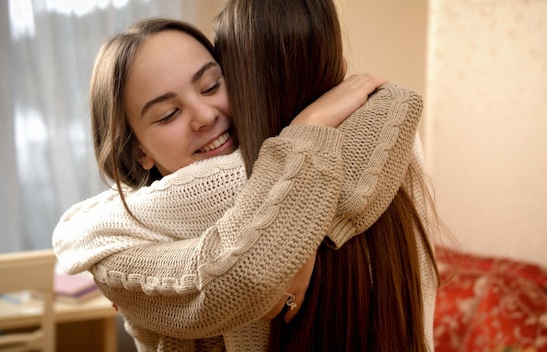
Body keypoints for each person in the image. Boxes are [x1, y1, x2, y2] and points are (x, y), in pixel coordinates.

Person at [53, 13, 425, 352]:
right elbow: (234, 278)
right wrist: (310, 128)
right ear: (139, 152)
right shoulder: (119, 243)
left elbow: (397, 101)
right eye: (168, 114)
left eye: (212, 85)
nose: (203, 115)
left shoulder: (303, 156)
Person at [213, 0, 439, 351]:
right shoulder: (402, 146)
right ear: (338, 60)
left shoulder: (221, 183)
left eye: (214, 84)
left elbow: (107, 226)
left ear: (237, 83)